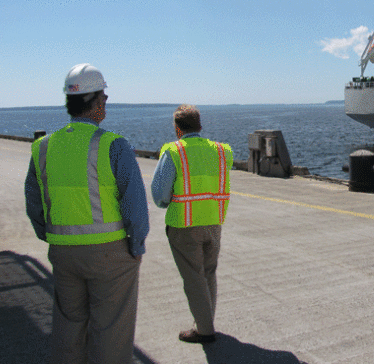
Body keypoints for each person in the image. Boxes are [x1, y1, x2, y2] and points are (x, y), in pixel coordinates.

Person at [24, 63, 150, 364]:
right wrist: (137, 246)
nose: (105, 102)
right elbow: (135, 207)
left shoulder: (43, 147)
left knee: (68, 325)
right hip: (110, 254)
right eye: (103, 97)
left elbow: (34, 201)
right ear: (95, 102)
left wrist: (50, 235)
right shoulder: (113, 145)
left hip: (64, 252)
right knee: (110, 329)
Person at [151, 105, 233, 344]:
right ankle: (205, 321)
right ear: (200, 125)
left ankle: (205, 330)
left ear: (178, 128)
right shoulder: (221, 151)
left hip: (184, 224)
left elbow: (159, 195)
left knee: (193, 278)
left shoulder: (174, 151)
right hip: (214, 222)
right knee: (209, 273)